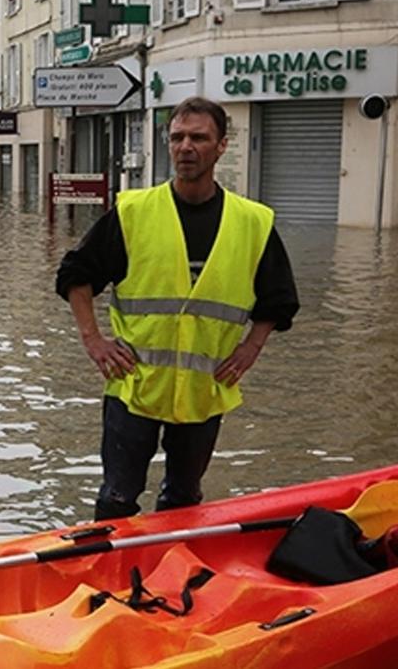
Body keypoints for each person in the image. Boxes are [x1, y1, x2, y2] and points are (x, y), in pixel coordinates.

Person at [55, 96, 299, 521]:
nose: (186, 147)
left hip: (203, 391)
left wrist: (251, 347)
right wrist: (93, 340)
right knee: (117, 498)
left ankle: (174, 575)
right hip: (134, 386)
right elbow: (76, 274)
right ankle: (107, 576)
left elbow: (277, 299)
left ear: (222, 145)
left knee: (183, 500)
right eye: (177, 138)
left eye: (199, 138)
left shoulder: (252, 222)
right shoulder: (134, 212)